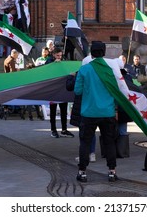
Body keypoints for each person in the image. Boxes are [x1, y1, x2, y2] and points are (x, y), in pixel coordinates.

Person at [74, 41, 118, 182]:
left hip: (89, 112)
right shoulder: (110, 70)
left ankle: (82, 172)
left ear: (91, 53)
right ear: (104, 52)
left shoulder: (85, 69)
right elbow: (117, 91)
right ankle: (112, 171)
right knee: (109, 142)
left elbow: (77, 90)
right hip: (107, 112)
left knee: (85, 142)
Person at [45, 48, 74, 138]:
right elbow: (46, 71)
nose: (59, 57)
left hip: (62, 90)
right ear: (53, 54)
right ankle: (53, 130)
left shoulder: (63, 61)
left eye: (61, 55)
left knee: (64, 111)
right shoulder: (49, 61)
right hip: (53, 91)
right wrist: (54, 64)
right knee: (53, 111)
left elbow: (67, 70)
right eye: (58, 55)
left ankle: (64, 129)